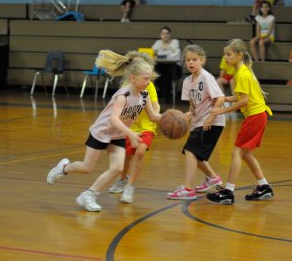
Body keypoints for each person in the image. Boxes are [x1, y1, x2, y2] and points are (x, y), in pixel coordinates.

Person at [46, 49, 162, 212]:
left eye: (150, 78)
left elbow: (153, 116)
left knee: (118, 168)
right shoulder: (123, 95)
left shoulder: (144, 95)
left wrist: (173, 118)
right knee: (87, 168)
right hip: (102, 132)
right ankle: (64, 168)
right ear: (133, 78)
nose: (149, 82)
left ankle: (89, 194)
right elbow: (114, 119)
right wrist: (130, 133)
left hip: (118, 134)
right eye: (146, 78)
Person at [207, 38, 274, 205]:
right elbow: (241, 97)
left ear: (239, 55)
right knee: (246, 154)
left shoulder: (242, 74)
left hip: (255, 115)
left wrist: (222, 110)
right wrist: (225, 98)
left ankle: (228, 192)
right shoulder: (243, 71)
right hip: (259, 115)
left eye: (228, 54)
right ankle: (264, 186)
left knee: (236, 153)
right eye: (224, 55)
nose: (225, 58)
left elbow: (244, 101)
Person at [167, 45, 225, 200]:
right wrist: (189, 114)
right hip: (199, 121)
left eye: (194, 59)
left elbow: (220, 98)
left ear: (202, 61)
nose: (190, 62)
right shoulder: (187, 81)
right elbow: (192, 105)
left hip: (213, 121)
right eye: (187, 60)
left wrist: (210, 118)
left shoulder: (206, 77)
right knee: (196, 154)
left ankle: (188, 189)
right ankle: (213, 178)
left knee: (190, 151)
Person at [108, 52, 160, 203]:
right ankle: (123, 179)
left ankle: (129, 188)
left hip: (146, 126)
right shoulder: (125, 88)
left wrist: (157, 115)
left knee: (140, 152)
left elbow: (155, 104)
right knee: (126, 158)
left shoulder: (147, 86)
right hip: (130, 127)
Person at [152, 26, 182, 103]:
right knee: (156, 74)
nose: (165, 35)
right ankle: (166, 94)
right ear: (160, 35)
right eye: (163, 33)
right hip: (161, 66)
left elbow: (175, 55)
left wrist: (161, 56)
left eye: (167, 33)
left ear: (170, 34)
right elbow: (152, 53)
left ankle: (166, 95)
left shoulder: (175, 42)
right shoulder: (158, 43)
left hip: (174, 66)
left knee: (165, 73)